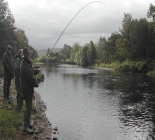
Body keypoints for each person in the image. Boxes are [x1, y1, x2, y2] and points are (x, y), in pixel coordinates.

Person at [20, 47, 40, 134]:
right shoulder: (25, 64)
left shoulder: (26, 63)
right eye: (30, 53)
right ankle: (26, 127)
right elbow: (31, 78)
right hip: (27, 89)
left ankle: (28, 124)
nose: (31, 54)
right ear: (27, 55)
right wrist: (37, 84)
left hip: (27, 89)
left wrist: (38, 71)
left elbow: (31, 72)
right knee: (28, 108)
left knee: (29, 106)